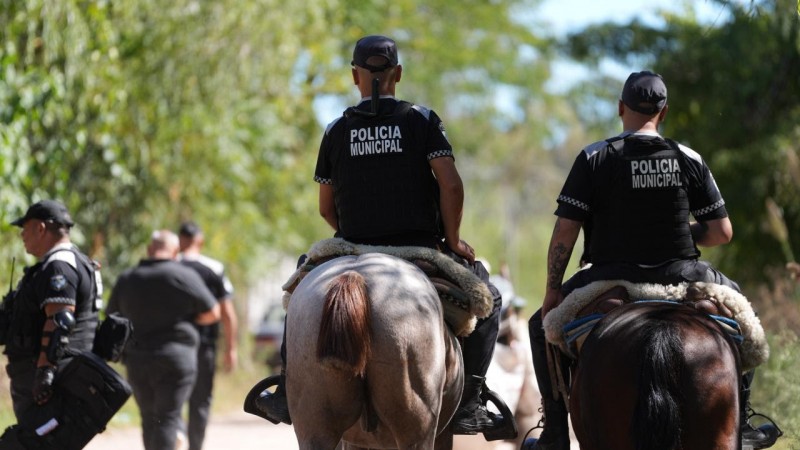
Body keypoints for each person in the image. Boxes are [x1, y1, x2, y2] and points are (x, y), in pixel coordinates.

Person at [256, 34, 505, 437]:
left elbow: (325, 206)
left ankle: (287, 388)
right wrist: (454, 239)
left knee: (299, 295)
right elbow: (452, 186)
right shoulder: (422, 120)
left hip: (350, 246)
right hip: (420, 249)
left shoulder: (336, 128)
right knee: (489, 298)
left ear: (356, 76)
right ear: (398, 74)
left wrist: (351, 236)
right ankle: (471, 402)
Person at [526, 70, 780, 450]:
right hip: (683, 272)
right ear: (663, 112)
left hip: (610, 273)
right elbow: (721, 232)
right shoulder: (687, 156)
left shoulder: (595, 157)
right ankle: (742, 423)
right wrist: (677, 233)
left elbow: (566, 232)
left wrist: (551, 292)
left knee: (537, 325)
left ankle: (555, 434)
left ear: (620, 108)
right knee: (744, 322)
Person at [107, 230, 220, 450]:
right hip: (176, 359)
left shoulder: (128, 278)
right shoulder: (184, 276)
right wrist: (190, 320)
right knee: (168, 418)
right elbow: (213, 312)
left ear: (150, 250)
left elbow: (113, 316)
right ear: (176, 251)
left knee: (149, 418)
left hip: (138, 360)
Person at [0, 200, 101, 446]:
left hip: (50, 382)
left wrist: (45, 375)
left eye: (25, 227)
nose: (22, 234)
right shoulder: (75, 261)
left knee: (28, 444)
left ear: (41, 228)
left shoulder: (59, 265)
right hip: (59, 377)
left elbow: (60, 320)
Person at [177, 221, 238, 450]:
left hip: (173, 346)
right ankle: (195, 446)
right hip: (203, 346)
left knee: (172, 399)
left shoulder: (169, 266)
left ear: (180, 240)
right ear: (200, 241)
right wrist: (231, 349)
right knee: (200, 402)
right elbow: (228, 314)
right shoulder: (214, 268)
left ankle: (175, 435)